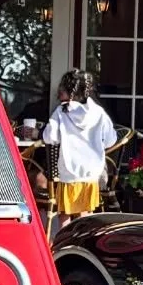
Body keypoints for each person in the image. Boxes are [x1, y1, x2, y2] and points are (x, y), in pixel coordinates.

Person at [41, 69, 118, 231]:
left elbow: (49, 137)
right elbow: (111, 139)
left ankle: (64, 244)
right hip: (91, 173)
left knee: (64, 215)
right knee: (85, 213)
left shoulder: (62, 112)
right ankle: (83, 245)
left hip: (69, 172)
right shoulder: (98, 113)